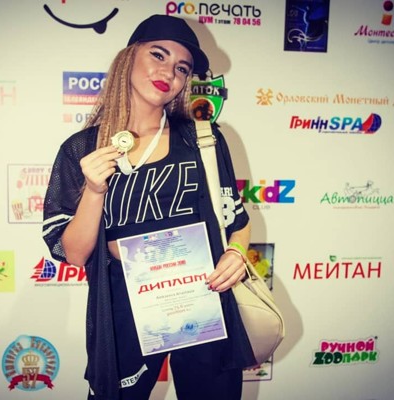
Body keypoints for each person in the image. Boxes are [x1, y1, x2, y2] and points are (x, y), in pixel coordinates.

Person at [43, 14, 254, 399]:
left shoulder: (203, 139)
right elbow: (73, 254)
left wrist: (237, 254)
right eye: (158, 55)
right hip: (123, 309)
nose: (168, 72)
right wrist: (94, 190)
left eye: (182, 68)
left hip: (202, 301)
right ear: (128, 58)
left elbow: (237, 223)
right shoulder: (82, 149)